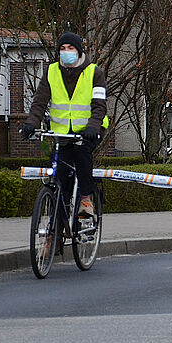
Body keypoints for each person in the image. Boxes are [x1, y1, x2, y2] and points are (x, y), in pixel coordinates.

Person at [22, 31, 109, 217]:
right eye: (62, 48)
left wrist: (93, 126)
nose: (66, 51)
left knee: (82, 153)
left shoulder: (95, 72)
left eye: (70, 48)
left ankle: (85, 199)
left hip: (90, 129)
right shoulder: (51, 71)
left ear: (79, 51)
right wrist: (31, 123)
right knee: (61, 176)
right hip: (61, 133)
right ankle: (56, 232)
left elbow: (99, 105)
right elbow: (39, 101)